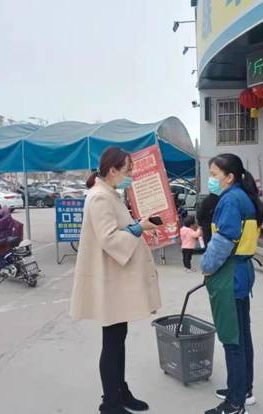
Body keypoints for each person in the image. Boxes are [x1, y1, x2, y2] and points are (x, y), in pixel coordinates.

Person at [69, 147, 161, 414]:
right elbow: (109, 238)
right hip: (109, 280)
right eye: (127, 170)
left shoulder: (109, 193)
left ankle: (120, 392)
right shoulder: (100, 197)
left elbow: (117, 229)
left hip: (116, 279)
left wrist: (138, 224)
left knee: (117, 340)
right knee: (112, 343)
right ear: (112, 170)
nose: (130, 174)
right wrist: (139, 227)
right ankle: (110, 402)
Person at [201, 154, 263, 414]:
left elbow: (224, 240)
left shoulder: (229, 200)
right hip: (242, 272)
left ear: (229, 177)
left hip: (230, 275)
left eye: (214, 174)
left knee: (232, 339)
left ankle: (235, 403)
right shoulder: (244, 197)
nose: (211, 179)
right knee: (242, 336)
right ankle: (243, 389)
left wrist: (206, 267)